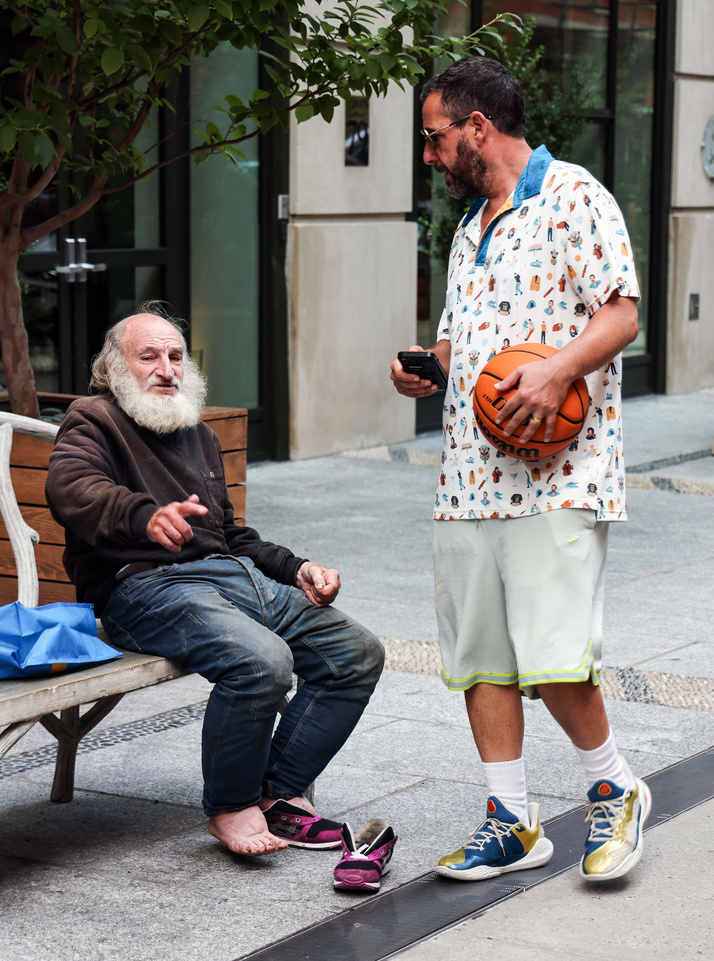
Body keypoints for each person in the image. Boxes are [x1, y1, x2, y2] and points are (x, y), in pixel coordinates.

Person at [391, 58, 650, 883]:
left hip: (560, 473)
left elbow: (622, 312)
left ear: (477, 128)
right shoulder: (472, 224)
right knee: (481, 654)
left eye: (434, 138)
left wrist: (557, 370)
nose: (430, 156)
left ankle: (614, 788)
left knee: (554, 652)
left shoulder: (576, 196)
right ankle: (511, 818)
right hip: (468, 474)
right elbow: (459, 339)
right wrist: (426, 367)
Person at [46, 302, 384, 856]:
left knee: (356, 653)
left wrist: (297, 568)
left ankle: (277, 793)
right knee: (262, 661)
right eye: (149, 356)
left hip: (232, 578)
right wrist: (145, 516)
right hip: (146, 588)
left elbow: (233, 536)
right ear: (114, 369)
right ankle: (230, 805)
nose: (166, 368)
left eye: (176, 356)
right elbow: (70, 487)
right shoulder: (93, 418)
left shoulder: (195, 431)